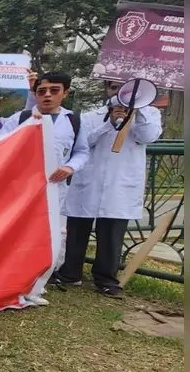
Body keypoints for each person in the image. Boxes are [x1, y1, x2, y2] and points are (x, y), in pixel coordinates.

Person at [55, 82, 163, 298]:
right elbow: (84, 141)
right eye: (114, 88)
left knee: (112, 233)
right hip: (89, 181)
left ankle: (105, 279)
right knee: (77, 229)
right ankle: (70, 273)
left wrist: (137, 112)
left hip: (120, 184)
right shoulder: (91, 115)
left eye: (127, 91)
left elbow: (148, 136)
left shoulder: (149, 114)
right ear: (107, 90)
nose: (119, 94)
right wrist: (109, 123)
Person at [3, 71, 90, 306]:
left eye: (54, 90)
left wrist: (70, 167)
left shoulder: (74, 121)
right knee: (16, 234)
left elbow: (82, 152)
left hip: (54, 189)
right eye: (42, 91)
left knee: (48, 237)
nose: (47, 96)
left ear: (66, 93)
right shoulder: (20, 118)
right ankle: (9, 282)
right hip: (20, 189)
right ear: (35, 93)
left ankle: (36, 285)